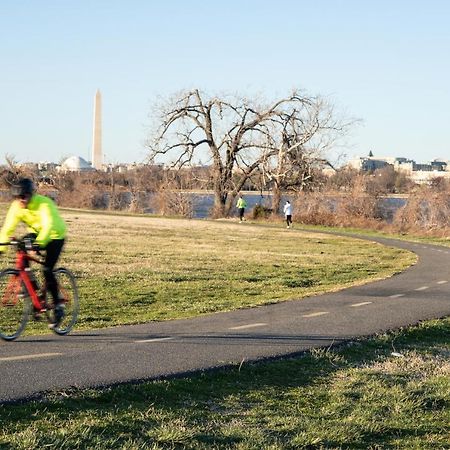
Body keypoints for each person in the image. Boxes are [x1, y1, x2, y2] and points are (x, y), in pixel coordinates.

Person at [0, 178, 67, 326]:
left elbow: (48, 226)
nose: (21, 200)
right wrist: (1, 249)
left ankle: (58, 306)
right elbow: (7, 228)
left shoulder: (43, 204)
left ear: (31, 194)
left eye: (24, 196)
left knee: (47, 269)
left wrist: (39, 244)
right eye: (17, 197)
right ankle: (32, 289)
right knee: (21, 247)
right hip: (37, 234)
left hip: (55, 235)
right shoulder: (16, 207)